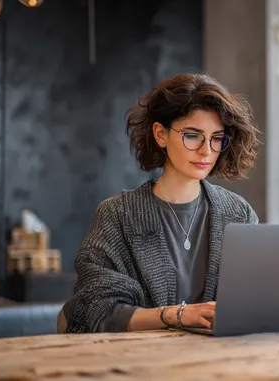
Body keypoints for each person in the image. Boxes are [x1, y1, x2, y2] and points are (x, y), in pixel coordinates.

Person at [58, 73, 261, 333]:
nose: (207, 151)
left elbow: (255, 300)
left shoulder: (239, 213)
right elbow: (94, 310)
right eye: (192, 136)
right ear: (160, 134)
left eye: (216, 138)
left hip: (220, 362)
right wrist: (176, 316)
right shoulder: (118, 214)